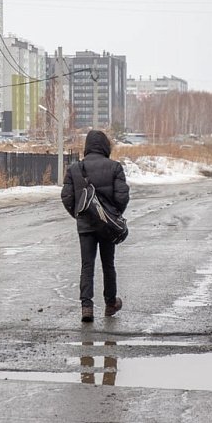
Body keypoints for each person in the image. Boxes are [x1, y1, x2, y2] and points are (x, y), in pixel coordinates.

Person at [61, 130, 130, 322]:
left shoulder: (75, 169)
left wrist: (79, 214)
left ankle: (87, 307)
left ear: (87, 146)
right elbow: (122, 196)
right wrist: (112, 215)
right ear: (105, 146)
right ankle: (110, 304)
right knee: (108, 264)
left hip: (85, 226)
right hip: (107, 225)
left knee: (87, 265)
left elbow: (66, 197)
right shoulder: (114, 167)